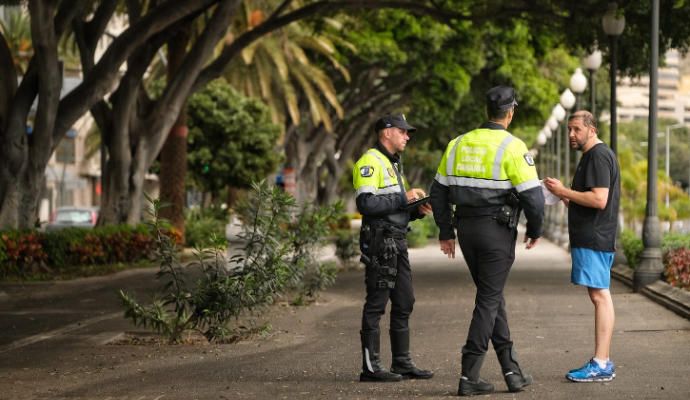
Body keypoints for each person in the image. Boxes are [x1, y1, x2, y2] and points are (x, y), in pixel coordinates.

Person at [429, 86, 544, 396]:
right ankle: (469, 375)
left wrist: (444, 231)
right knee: (488, 300)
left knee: (492, 297)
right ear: (510, 112)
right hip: (497, 232)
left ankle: (512, 372)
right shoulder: (513, 146)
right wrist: (535, 229)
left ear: (486, 111)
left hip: (466, 231)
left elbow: (437, 191)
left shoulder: (457, 143)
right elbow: (534, 197)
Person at [352, 113, 434, 382]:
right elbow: (366, 204)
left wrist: (416, 210)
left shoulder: (393, 164)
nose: (407, 136)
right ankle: (371, 368)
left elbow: (395, 210)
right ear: (387, 132)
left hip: (396, 239)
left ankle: (402, 363)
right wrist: (403, 198)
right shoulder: (370, 162)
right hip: (379, 242)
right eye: (403, 131)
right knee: (376, 303)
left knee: (405, 300)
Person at [543, 110, 620, 383]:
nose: (571, 135)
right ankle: (603, 362)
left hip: (594, 237)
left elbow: (599, 199)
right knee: (600, 295)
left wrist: (563, 191)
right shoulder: (591, 157)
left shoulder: (598, 156)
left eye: (576, 129)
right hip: (593, 236)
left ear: (592, 129)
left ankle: (601, 363)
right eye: (568, 130)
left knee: (600, 296)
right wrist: (560, 194)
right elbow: (585, 201)